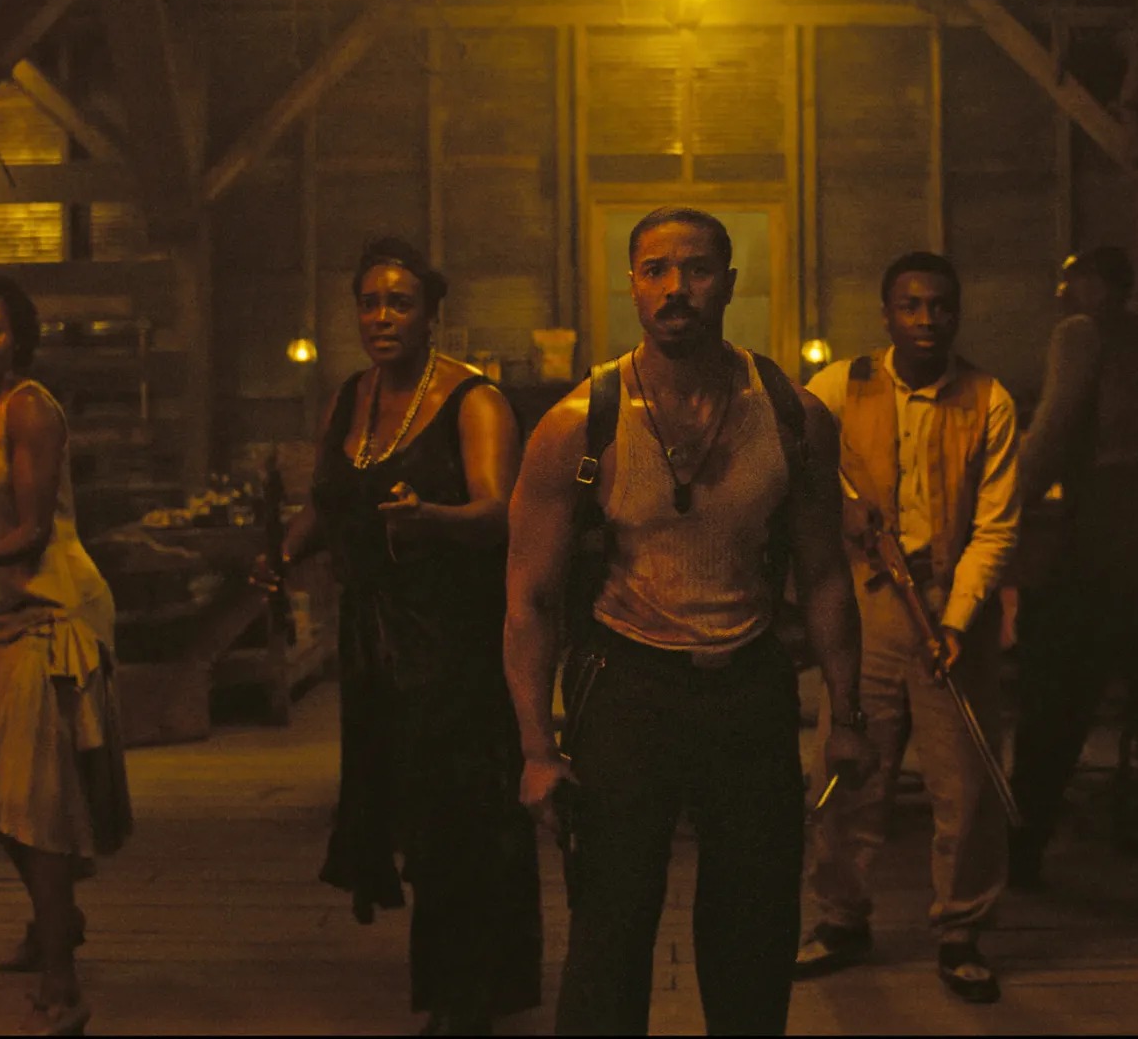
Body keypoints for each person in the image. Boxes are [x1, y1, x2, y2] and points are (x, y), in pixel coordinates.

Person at [504, 206, 873, 1035]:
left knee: (754, 930)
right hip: (625, 687)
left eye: (697, 269)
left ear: (729, 283)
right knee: (609, 930)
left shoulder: (790, 415)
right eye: (656, 270)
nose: (677, 288)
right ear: (632, 285)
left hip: (747, 686)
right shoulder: (578, 425)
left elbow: (823, 575)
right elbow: (528, 599)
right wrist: (536, 749)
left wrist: (847, 718)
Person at [259, 237, 540, 1034]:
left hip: (451, 641)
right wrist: (282, 555)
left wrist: (431, 521)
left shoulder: (472, 400)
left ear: (430, 315)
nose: (382, 317)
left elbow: (500, 513)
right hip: (373, 641)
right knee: (408, 812)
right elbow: (327, 502)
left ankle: (463, 1004)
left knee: (458, 819)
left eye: (400, 303)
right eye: (370, 303)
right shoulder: (352, 396)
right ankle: (453, 984)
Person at [795, 251, 1020, 1003]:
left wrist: (956, 622)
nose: (927, 319)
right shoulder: (838, 386)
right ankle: (840, 919)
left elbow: (996, 527)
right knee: (848, 770)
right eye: (911, 306)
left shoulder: (989, 399)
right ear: (887, 314)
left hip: (953, 608)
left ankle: (960, 931)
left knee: (965, 784)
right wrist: (840, 508)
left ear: (957, 313)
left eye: (940, 306)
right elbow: (796, 466)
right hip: (863, 610)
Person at [0, 271, 133, 1035]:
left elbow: (36, 528)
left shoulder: (30, 408)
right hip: (1, 606)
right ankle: (55, 921)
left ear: (19, 338)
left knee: (37, 800)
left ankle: (62, 982)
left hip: (54, 609)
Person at [1008, 246, 1138, 889]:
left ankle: (1022, 842)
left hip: (1105, 524)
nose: (1063, 294)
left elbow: (1053, 429)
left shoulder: (1080, 334)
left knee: (1059, 690)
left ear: (1095, 285)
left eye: (1071, 282)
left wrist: (1003, 503)